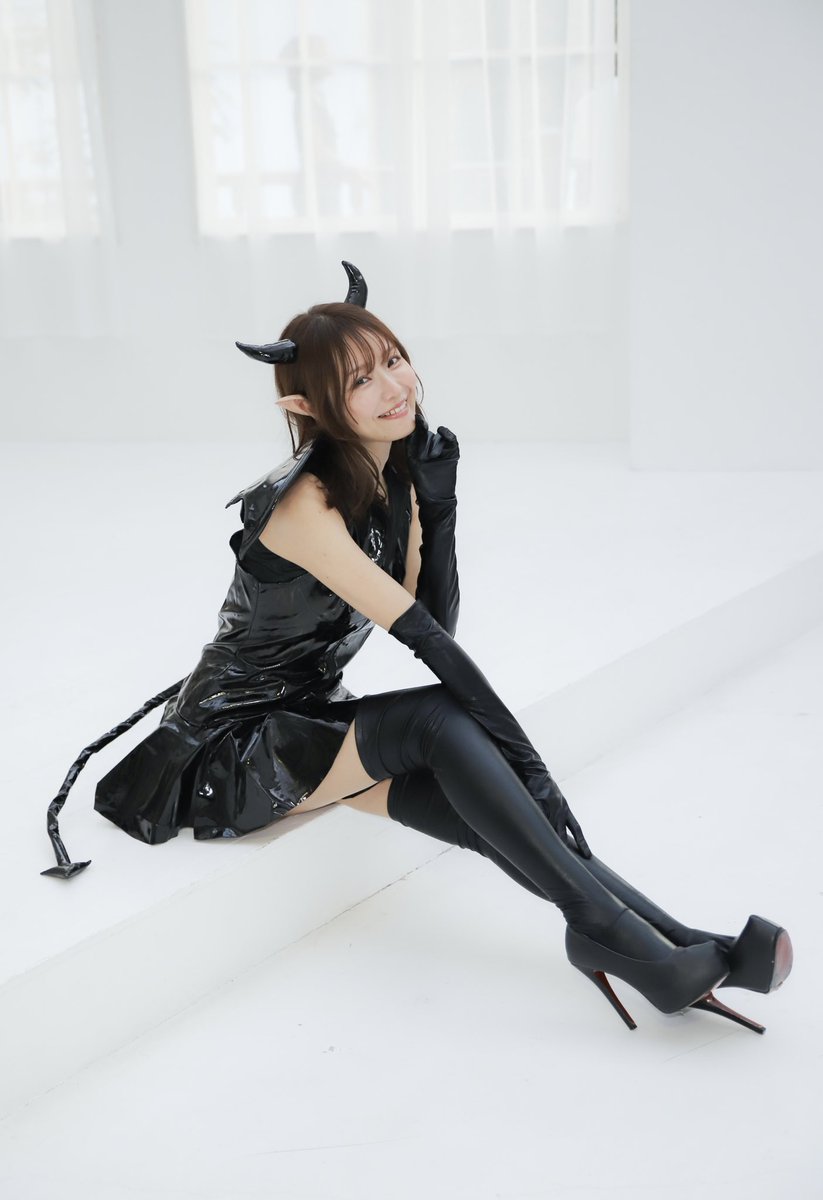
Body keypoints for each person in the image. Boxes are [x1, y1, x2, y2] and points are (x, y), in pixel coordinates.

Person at [42, 261, 792, 1034]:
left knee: (490, 818)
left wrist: (438, 504)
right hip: (226, 747)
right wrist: (536, 770)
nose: (395, 387)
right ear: (305, 407)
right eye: (360, 380)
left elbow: (433, 616)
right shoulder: (300, 504)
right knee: (442, 726)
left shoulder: (389, 481)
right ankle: (623, 941)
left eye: (393, 360)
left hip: (304, 722)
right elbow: (428, 645)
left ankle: (677, 945)